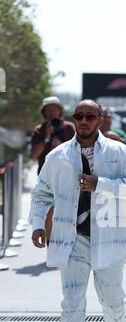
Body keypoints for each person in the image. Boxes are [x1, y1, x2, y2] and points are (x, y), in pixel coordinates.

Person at [29, 99, 126, 322]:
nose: (84, 121)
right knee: (71, 305)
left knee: (113, 302)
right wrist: (36, 224)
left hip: (109, 239)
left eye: (90, 116)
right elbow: (41, 193)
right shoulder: (57, 156)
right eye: (79, 116)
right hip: (73, 240)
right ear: (74, 119)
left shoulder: (119, 152)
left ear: (100, 120)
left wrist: (101, 184)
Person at [31, 96, 75, 244]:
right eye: (48, 110)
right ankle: (51, 246)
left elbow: (78, 151)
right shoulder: (39, 130)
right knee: (48, 210)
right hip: (46, 176)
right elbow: (34, 155)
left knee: (69, 210)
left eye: (54, 109)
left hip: (67, 175)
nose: (51, 112)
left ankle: (68, 244)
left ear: (60, 110)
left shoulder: (69, 127)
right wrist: (46, 138)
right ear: (44, 112)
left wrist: (61, 146)